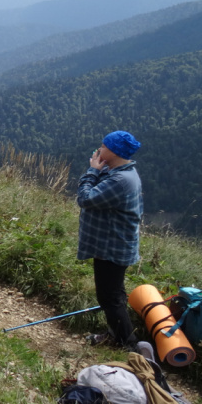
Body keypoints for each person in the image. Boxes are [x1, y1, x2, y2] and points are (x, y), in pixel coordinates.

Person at [77, 130, 143, 351]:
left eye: (103, 146)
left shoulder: (121, 180)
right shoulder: (119, 172)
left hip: (112, 247)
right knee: (113, 294)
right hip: (112, 244)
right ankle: (115, 334)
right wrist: (98, 170)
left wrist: (91, 171)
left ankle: (128, 345)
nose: (99, 149)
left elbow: (86, 199)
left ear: (114, 151)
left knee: (109, 297)